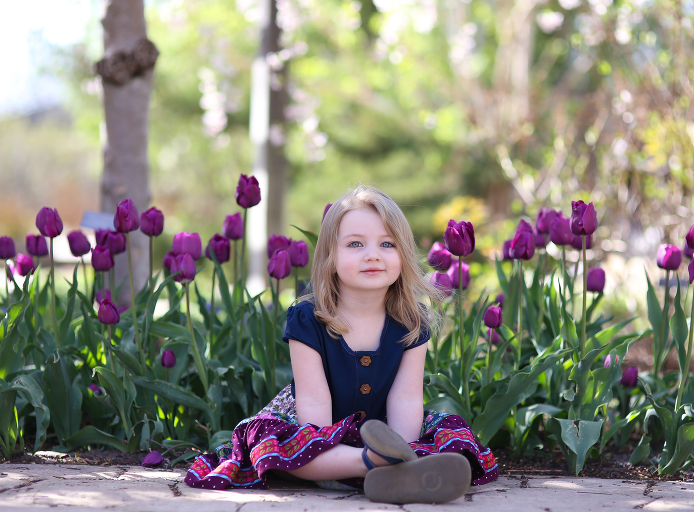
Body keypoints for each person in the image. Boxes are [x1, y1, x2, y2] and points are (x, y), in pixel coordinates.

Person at [185, 186, 498, 503]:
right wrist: (329, 446)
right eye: (355, 244)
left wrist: (403, 443)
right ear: (330, 258)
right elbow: (314, 403)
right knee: (274, 446)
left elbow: (405, 399)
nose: (372, 254)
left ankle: (399, 464)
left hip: (384, 428)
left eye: (387, 244)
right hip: (312, 425)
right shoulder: (307, 318)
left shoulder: (412, 320)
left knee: (452, 437)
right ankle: (378, 465)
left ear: (403, 256)